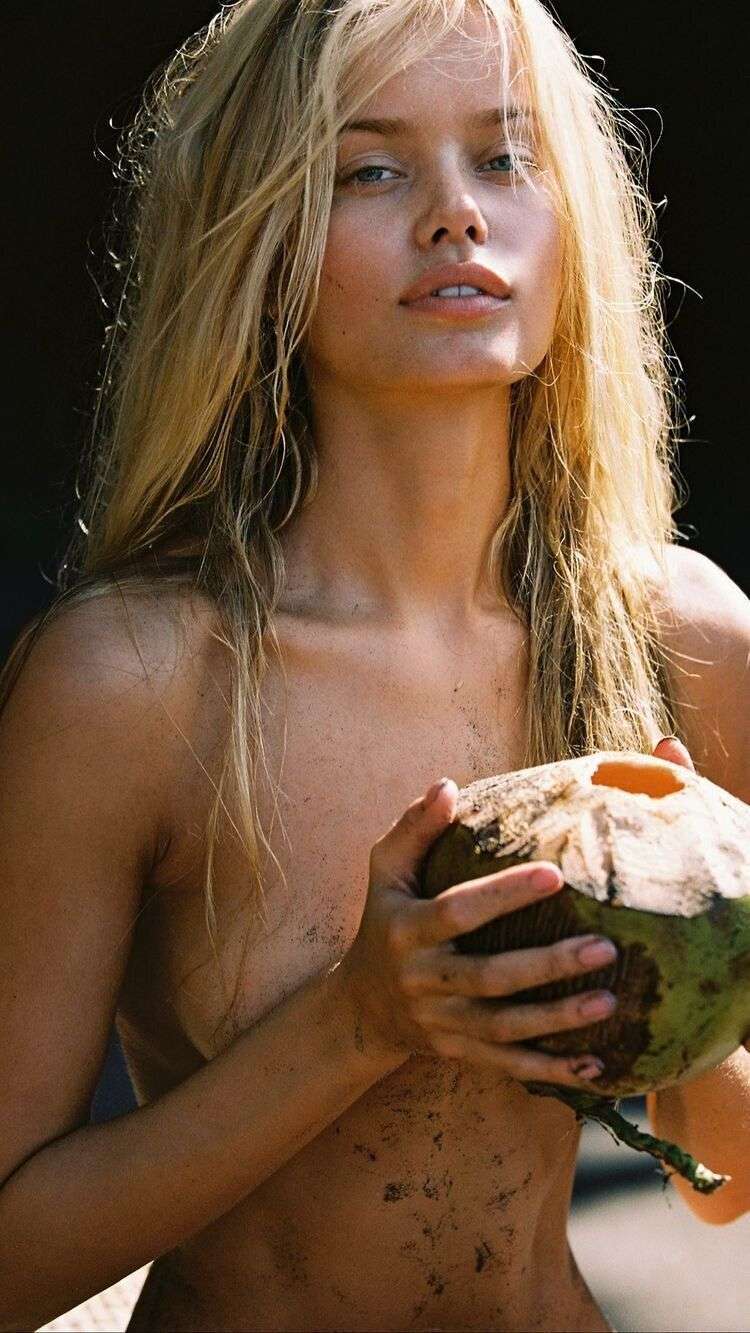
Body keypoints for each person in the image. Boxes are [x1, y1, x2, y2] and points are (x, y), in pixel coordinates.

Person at [1, 0, 749, 1329]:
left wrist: (695, 935)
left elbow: (724, 1185)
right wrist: (357, 1022)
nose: (456, 214)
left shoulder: (682, 641)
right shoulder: (132, 685)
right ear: (258, 243)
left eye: (504, 158)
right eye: (369, 170)